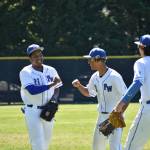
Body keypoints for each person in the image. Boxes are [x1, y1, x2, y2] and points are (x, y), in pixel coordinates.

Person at [72, 47, 127, 150]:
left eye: (90, 59)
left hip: (115, 116)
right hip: (101, 117)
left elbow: (126, 97)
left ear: (98, 60)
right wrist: (79, 86)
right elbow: (89, 92)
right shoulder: (95, 77)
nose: (88, 62)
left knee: (115, 147)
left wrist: (119, 114)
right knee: (97, 147)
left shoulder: (114, 76)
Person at [19, 44, 63, 150]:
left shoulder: (51, 70)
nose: (38, 58)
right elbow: (32, 90)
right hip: (32, 110)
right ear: (30, 58)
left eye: (40, 54)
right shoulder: (25, 72)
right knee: (38, 143)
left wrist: (53, 100)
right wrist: (51, 85)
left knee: (46, 142)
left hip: (48, 109)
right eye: (35, 56)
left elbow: (57, 87)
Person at [114, 34, 150, 150]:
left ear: (141, 47)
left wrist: (122, 103)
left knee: (131, 147)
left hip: (148, 110)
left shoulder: (141, 62)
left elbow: (137, 82)